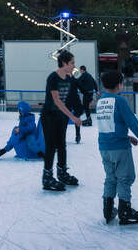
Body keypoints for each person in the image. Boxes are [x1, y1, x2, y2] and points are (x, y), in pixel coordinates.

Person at [96, 71, 138, 225]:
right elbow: (132, 122)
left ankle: (108, 210)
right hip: (119, 149)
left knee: (110, 178)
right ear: (119, 84)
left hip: (104, 148)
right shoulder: (119, 100)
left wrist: (127, 137)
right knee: (125, 178)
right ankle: (125, 212)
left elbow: (109, 126)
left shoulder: (101, 101)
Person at [41, 50, 83, 191]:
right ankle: (47, 178)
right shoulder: (53, 78)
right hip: (49, 116)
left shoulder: (70, 78)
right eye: (72, 63)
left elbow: (72, 97)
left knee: (62, 145)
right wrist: (73, 117)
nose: (73, 66)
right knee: (51, 146)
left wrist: (79, 112)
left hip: (61, 117)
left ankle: (62, 173)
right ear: (64, 63)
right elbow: (57, 100)